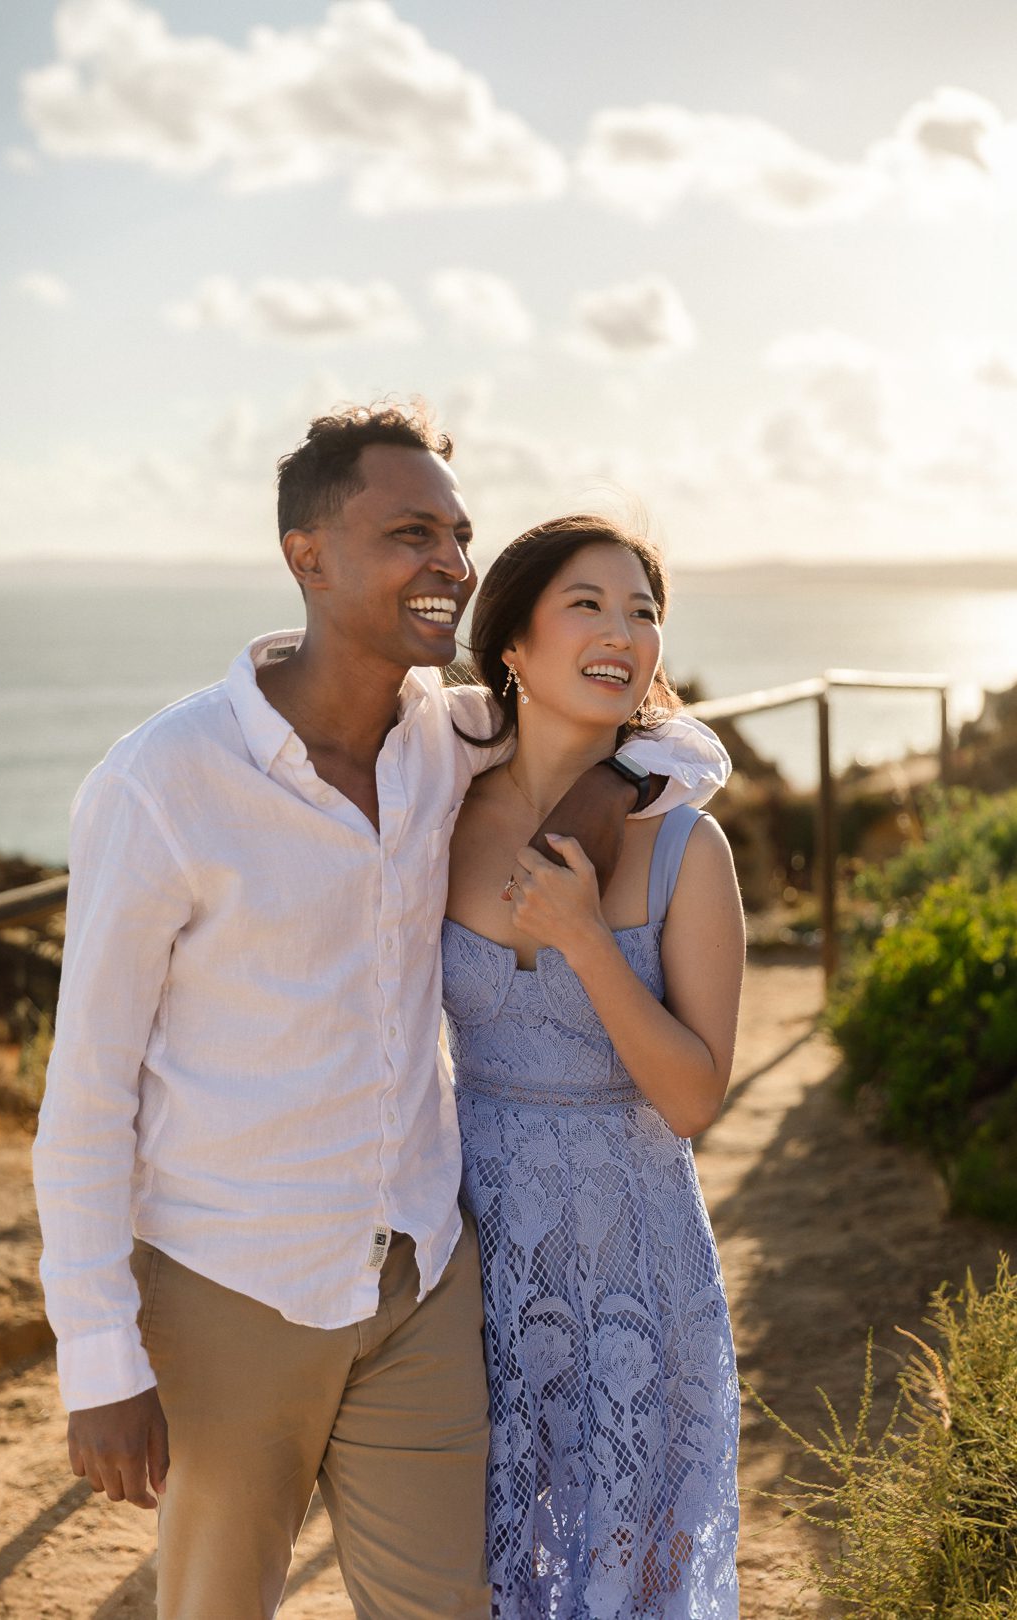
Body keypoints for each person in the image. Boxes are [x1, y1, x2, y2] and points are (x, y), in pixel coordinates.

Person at [33, 405, 732, 1620]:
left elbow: (662, 736)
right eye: (412, 533)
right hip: (236, 1285)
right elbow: (87, 1092)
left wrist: (617, 784)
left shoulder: (441, 744)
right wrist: (98, 1356)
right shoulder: (163, 782)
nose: (449, 562)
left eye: (458, 536)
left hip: (425, 1282)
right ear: (307, 555)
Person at [442, 515, 743, 1619]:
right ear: (513, 644)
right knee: (485, 1575)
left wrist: (584, 939)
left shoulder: (686, 847)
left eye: (644, 612)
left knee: (631, 1577)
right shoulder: (439, 810)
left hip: (635, 1275)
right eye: (589, 604)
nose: (624, 632)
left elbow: (693, 1096)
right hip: (471, 1260)